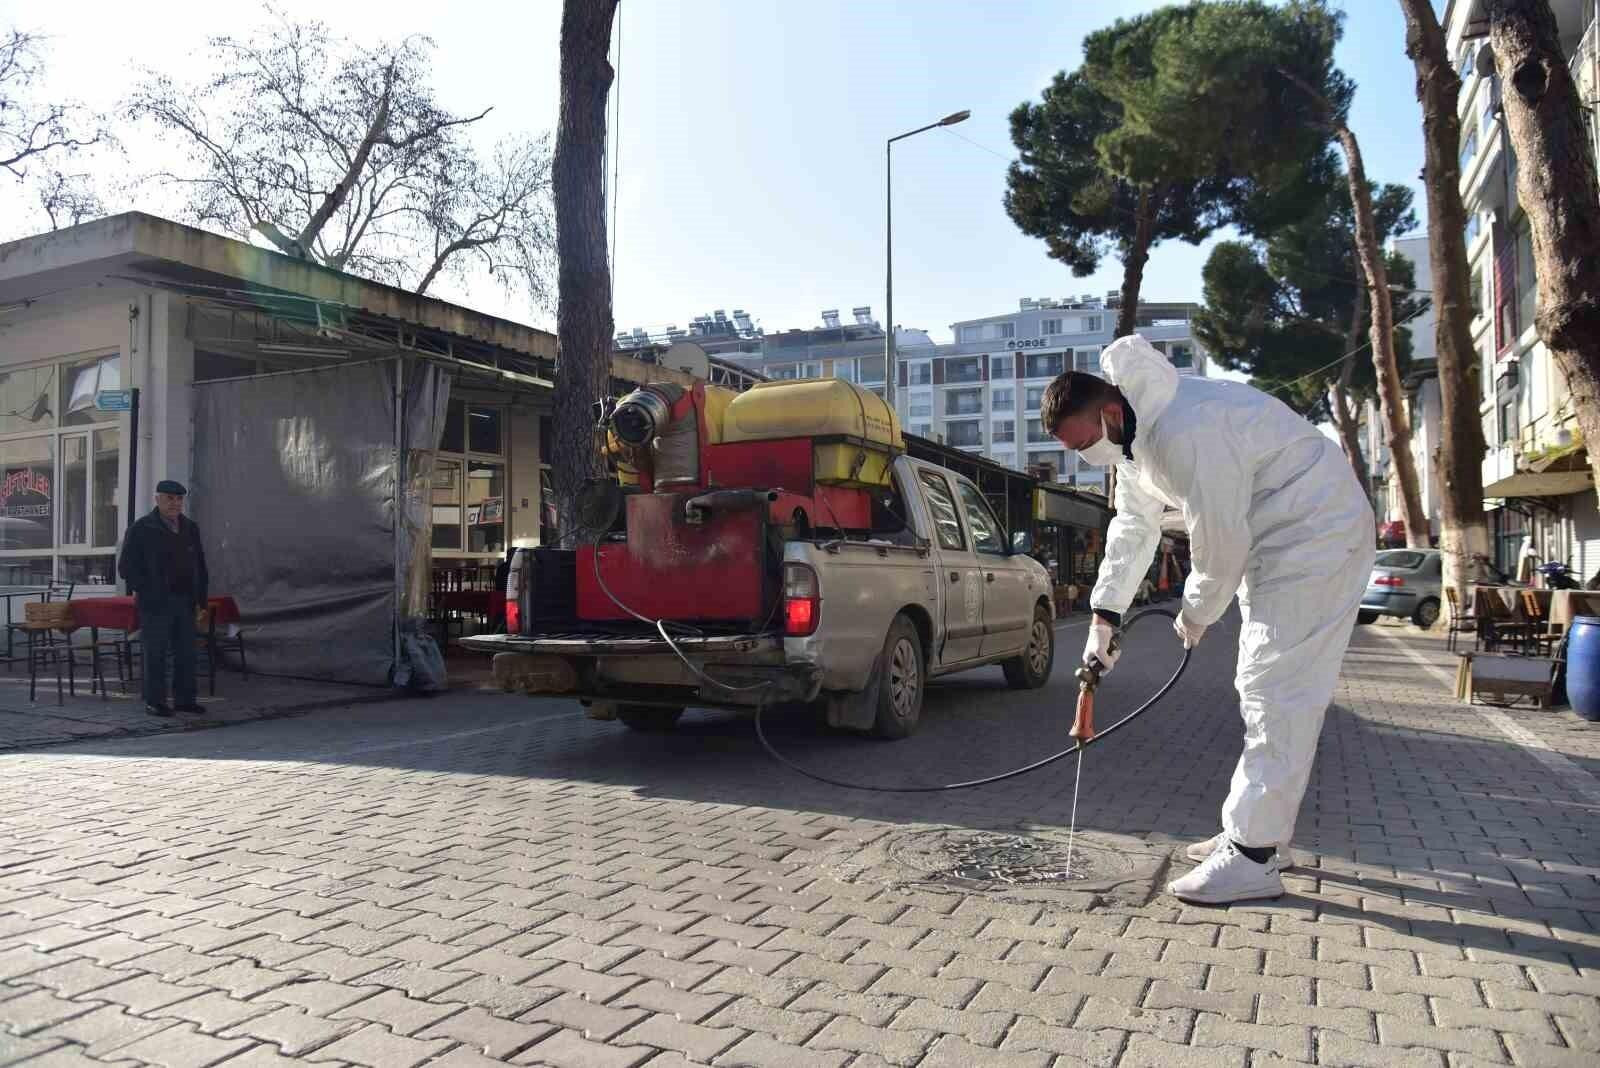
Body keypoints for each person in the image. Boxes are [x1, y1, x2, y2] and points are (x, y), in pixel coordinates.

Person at [1043, 335, 1374, 904]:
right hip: (1280, 542)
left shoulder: (1183, 430)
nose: (1085, 456)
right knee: (1264, 688)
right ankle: (1260, 834)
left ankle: (1253, 856)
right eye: (1075, 450)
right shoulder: (1137, 442)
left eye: (1084, 443)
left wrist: (1195, 614)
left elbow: (1218, 541)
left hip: (1315, 536)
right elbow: (1132, 529)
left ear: (1111, 412)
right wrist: (1103, 617)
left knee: (1276, 691)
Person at [118, 480, 210, 718]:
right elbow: (126, 567)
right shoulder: (142, 528)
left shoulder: (190, 527)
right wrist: (148, 590)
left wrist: (201, 598)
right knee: (155, 653)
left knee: (186, 653)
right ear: (157, 499)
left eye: (179, 499)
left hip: (184, 600)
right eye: (170, 498)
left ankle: (185, 700)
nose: (175, 503)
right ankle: (155, 702)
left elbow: (200, 564)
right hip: (155, 603)